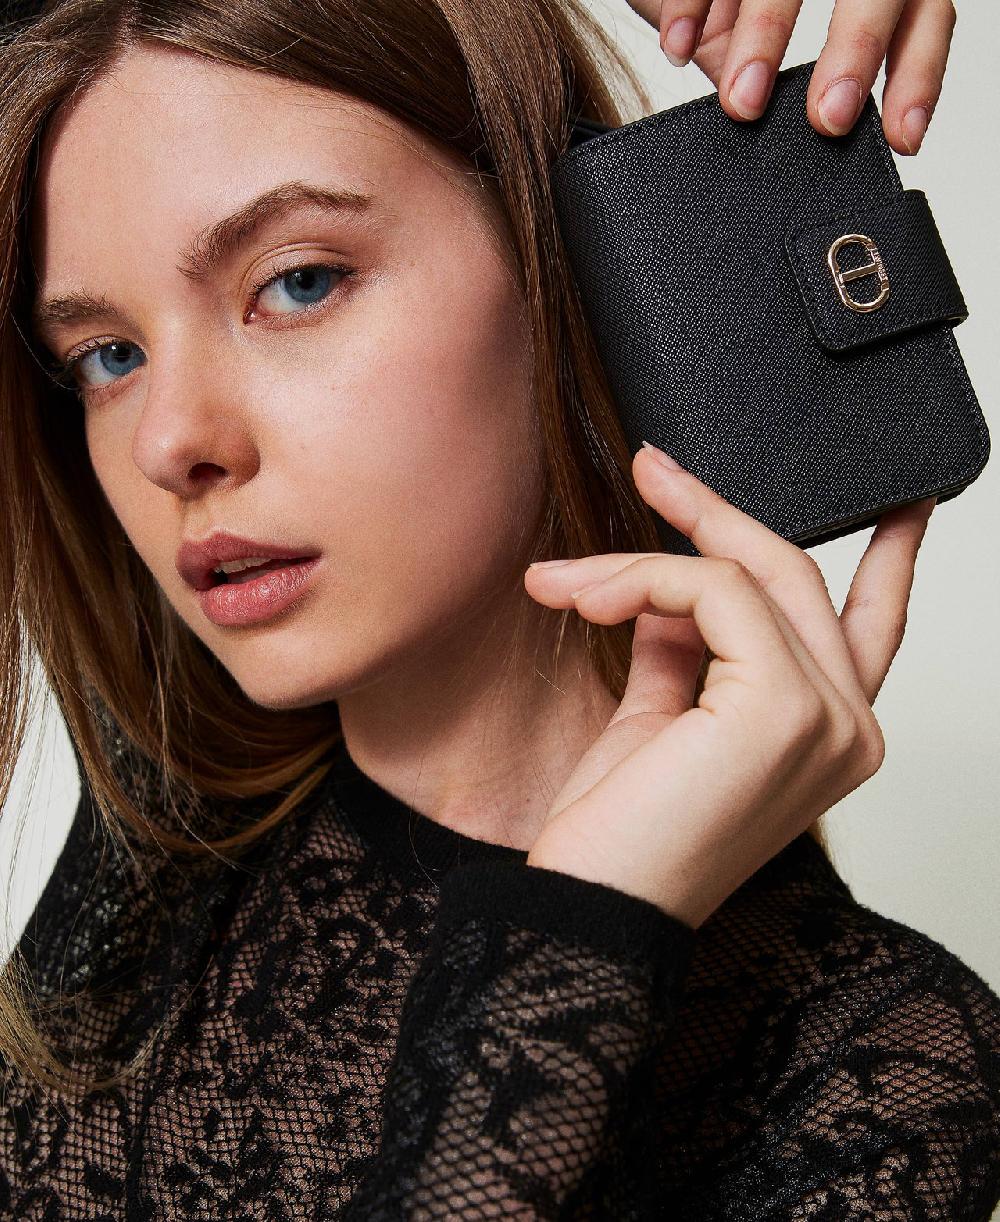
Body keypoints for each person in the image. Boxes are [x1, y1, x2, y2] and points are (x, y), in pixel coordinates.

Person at [1, 0, 997, 1217]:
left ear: (566, 268)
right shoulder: (168, 810)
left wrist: (587, 924)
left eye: (298, 282)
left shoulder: (873, 1068)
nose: (168, 442)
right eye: (107, 355)